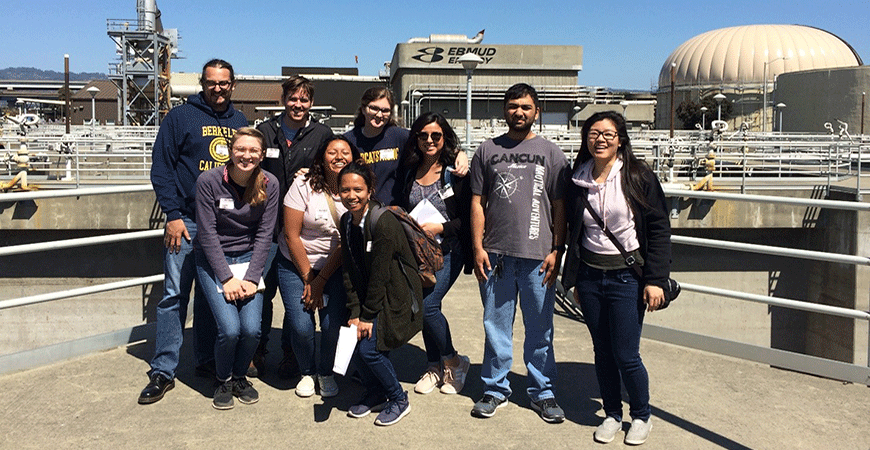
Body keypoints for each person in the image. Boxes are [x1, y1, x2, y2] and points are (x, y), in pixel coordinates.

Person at [140, 59, 247, 405]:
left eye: (224, 82)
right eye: (211, 82)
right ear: (202, 84)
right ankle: (163, 370)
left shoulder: (240, 121)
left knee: (210, 295)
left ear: (233, 85)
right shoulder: (180, 117)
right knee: (175, 294)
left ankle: (205, 359)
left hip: (223, 224)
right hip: (186, 220)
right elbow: (162, 167)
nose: (218, 88)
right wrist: (172, 214)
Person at [561, 111, 671, 445]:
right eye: (594, 133)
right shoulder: (577, 179)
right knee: (603, 352)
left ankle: (641, 415)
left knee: (626, 354)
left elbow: (659, 228)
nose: (600, 140)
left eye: (608, 134)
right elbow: (573, 231)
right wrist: (575, 279)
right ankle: (611, 413)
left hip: (627, 277)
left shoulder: (638, 176)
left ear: (620, 140)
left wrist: (655, 280)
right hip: (590, 277)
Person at [469, 83, 569, 423]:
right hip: (496, 254)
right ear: (504, 110)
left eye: (526, 107)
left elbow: (559, 205)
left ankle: (543, 392)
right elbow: (477, 203)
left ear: (536, 111)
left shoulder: (551, 153)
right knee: (495, 326)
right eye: (513, 106)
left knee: (540, 327)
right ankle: (495, 389)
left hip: (538, 256)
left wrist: (557, 249)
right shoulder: (487, 150)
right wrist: (478, 247)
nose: (519, 112)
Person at [253, 76, 334, 378]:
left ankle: (290, 353)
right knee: (262, 293)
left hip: (300, 231)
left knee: (293, 297)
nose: (298, 104)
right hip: (266, 227)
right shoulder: (265, 131)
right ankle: (258, 349)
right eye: (293, 98)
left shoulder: (322, 133)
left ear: (311, 103)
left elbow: (333, 166)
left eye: (304, 99)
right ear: (283, 99)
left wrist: (313, 171)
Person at [194, 127, 279, 410]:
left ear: (262, 155)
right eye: (241, 149)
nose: (246, 155)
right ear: (231, 151)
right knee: (230, 330)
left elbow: (265, 234)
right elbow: (207, 233)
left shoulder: (269, 183)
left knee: (252, 330)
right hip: (214, 258)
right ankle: (224, 379)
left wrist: (253, 277)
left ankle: (241, 376)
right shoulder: (209, 181)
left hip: (249, 258)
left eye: (253, 150)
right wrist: (226, 278)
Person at [339, 160, 423, 426]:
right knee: (355, 347)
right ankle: (375, 392)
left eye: (358, 190)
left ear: (369, 190)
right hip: (369, 298)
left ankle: (398, 398)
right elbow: (348, 269)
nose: (351, 196)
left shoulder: (383, 222)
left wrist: (366, 316)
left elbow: (381, 274)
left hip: (393, 297)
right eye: (345, 190)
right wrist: (355, 311)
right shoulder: (346, 221)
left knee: (370, 351)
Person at [277, 136, 360, 398]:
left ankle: (325, 372)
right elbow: (291, 235)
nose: (339, 157)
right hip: (295, 262)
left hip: (335, 266)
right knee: (301, 325)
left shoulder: (356, 188)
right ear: (321, 158)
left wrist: (320, 280)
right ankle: (307, 371)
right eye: (332, 152)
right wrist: (308, 278)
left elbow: (345, 243)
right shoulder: (303, 184)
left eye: (345, 152)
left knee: (332, 326)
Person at [397, 112, 472, 395]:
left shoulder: (456, 173)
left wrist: (441, 227)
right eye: (424, 135)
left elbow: (469, 218)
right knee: (422, 306)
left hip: (448, 250)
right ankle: (433, 366)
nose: (429, 140)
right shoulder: (409, 169)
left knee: (428, 305)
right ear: (416, 138)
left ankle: (453, 361)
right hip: (418, 252)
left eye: (436, 136)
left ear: (444, 138)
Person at [343, 87, 467, 206]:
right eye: (374, 108)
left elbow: (429, 145)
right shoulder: (348, 141)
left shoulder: (399, 136)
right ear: (363, 109)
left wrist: (460, 154)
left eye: (385, 110)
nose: (379, 114)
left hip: (392, 212)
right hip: (358, 210)